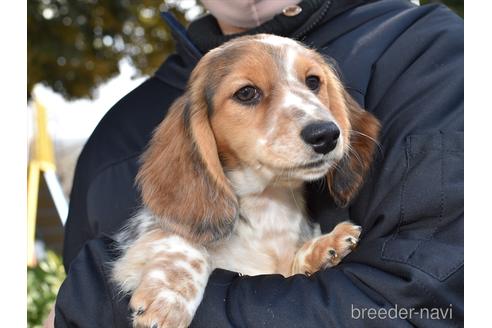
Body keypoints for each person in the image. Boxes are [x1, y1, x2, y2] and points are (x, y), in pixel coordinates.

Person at [54, 0, 464, 327]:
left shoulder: (433, 54)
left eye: (312, 83)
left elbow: (426, 306)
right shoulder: (113, 140)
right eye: (248, 93)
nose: (319, 123)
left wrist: (102, 304)